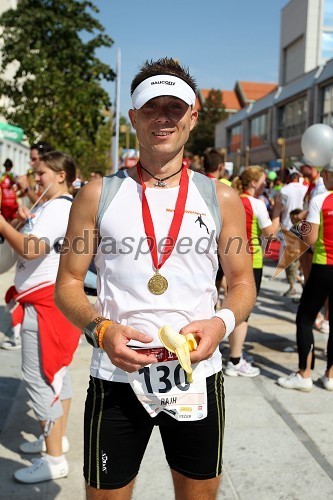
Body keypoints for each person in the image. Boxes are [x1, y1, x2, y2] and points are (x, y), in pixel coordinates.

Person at [55, 57, 256, 499]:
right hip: (116, 377)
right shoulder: (97, 194)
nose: (163, 117)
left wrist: (220, 324)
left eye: (175, 107)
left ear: (193, 117)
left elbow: (242, 284)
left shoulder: (220, 197)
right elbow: (67, 283)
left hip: (196, 376)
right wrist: (101, 329)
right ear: (133, 118)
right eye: (151, 107)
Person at [0, 151, 81, 483]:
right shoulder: (54, 207)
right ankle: (56, 440)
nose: (36, 179)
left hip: (44, 303)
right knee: (57, 375)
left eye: (41, 173)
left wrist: (3, 225)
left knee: (41, 378)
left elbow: (32, 249)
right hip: (49, 301)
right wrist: (21, 221)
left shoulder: (59, 207)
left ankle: (53, 459)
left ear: (61, 175)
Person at [277, 160, 333, 392]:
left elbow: (310, 240)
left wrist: (301, 227)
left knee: (305, 318)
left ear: (328, 175)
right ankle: (330, 376)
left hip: (323, 266)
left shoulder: (321, 200)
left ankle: (304, 374)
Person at [225, 166, 279, 377]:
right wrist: (277, 212)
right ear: (254, 183)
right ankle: (235, 360)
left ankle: (233, 354)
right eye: (263, 181)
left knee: (231, 304)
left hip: (231, 256)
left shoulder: (234, 198)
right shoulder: (257, 204)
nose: (266, 185)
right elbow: (270, 234)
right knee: (243, 311)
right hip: (251, 260)